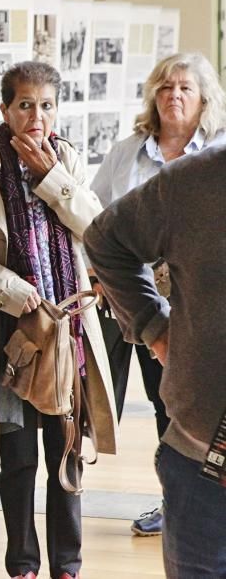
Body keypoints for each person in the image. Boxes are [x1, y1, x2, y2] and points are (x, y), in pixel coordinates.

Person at [0, 61, 118, 579]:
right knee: (19, 455)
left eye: (46, 105)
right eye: (25, 104)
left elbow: (96, 228)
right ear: (4, 110)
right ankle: (23, 564)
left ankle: (67, 566)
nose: (36, 116)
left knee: (66, 450)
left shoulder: (67, 158)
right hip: (13, 335)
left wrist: (52, 179)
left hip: (66, 334)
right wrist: (12, 289)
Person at [89, 51, 226, 537]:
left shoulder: (213, 156)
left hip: (194, 308)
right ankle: (174, 500)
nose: (173, 97)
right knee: (164, 405)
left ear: (204, 98)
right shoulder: (130, 152)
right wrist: (152, 325)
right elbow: (99, 218)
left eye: (185, 88)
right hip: (140, 303)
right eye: (165, 87)